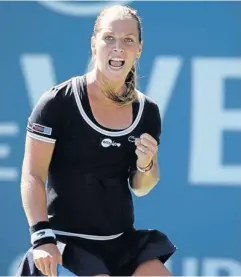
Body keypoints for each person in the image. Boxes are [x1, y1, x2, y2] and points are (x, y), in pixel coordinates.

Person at [16, 4, 176, 277]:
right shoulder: (57, 102)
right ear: (94, 44)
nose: (118, 47)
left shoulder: (148, 111)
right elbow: (32, 175)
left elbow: (141, 186)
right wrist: (42, 239)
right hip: (65, 244)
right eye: (109, 38)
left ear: (139, 49)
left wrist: (147, 164)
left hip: (121, 244)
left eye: (128, 40)